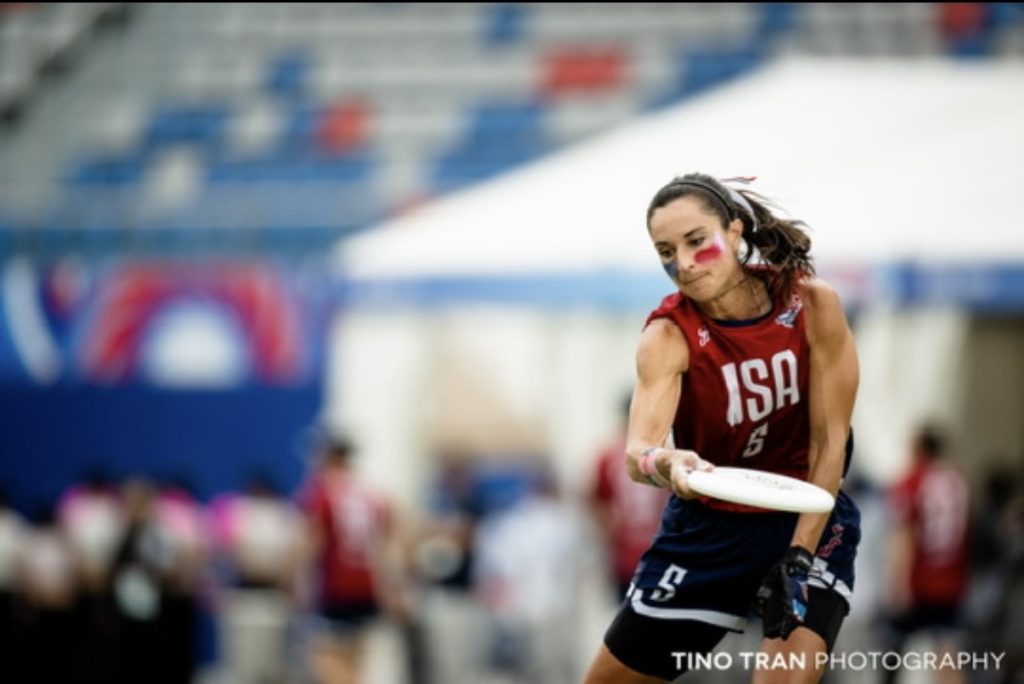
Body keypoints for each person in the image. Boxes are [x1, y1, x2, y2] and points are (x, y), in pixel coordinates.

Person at [583, 173, 861, 684]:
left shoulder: (812, 304)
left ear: (735, 232)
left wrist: (798, 558)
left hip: (807, 520)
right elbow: (638, 453)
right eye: (666, 251)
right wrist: (669, 462)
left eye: (696, 241)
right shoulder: (668, 335)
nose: (683, 263)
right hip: (710, 532)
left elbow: (830, 443)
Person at [298, 433, 408, 684]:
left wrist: (297, 582)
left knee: (326, 658)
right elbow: (392, 542)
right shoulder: (372, 494)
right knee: (354, 658)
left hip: (336, 589)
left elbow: (311, 543)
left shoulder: (322, 493)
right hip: (367, 589)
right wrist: (393, 587)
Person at [883, 425, 971, 684]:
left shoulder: (913, 480)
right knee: (947, 654)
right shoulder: (958, 481)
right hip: (952, 581)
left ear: (918, 448)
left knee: (892, 653)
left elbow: (905, 534)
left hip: (919, 581)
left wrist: (897, 583)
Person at [589, 394, 671, 602]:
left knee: (628, 616)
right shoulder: (668, 455)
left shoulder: (608, 456)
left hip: (626, 557)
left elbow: (600, 509)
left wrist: (608, 546)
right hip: (663, 554)